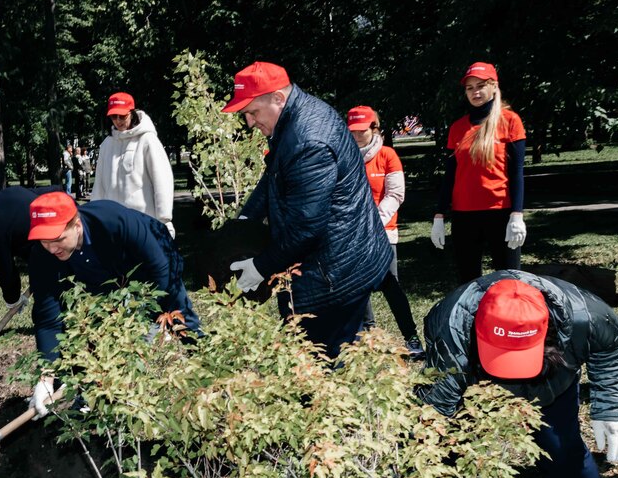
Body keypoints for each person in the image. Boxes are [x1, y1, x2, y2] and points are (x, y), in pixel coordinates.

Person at [221, 62, 391, 359]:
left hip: (336, 274)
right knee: (325, 359)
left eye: (253, 112)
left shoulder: (307, 139)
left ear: (277, 98)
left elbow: (306, 228)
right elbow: (273, 176)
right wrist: (245, 222)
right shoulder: (292, 120)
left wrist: (260, 267)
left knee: (320, 363)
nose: (249, 122)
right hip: (332, 261)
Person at [419, 270, 618, 478]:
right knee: (457, 452)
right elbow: (430, 420)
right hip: (476, 381)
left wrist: (611, 409)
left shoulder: (585, 315)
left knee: (563, 450)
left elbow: (614, 343)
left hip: (551, 377)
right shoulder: (453, 335)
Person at [25, 191, 200, 417]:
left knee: (179, 315)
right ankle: (91, 395)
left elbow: (160, 272)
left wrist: (147, 322)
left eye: (58, 239)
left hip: (150, 261)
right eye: (44, 241)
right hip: (99, 277)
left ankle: (204, 371)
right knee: (92, 328)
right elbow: (48, 319)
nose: (51, 248)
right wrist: (45, 378)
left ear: (76, 226)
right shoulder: (43, 256)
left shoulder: (113, 222)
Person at [432, 62, 527, 285]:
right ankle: (473, 321)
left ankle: (510, 320)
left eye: (481, 86)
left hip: (500, 213)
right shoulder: (457, 128)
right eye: (469, 88)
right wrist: (439, 215)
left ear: (494, 86)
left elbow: (517, 172)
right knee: (468, 282)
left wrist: (517, 214)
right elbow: (450, 175)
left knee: (509, 281)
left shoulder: (510, 121)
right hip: (464, 215)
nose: (475, 92)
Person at [346, 105, 424, 358]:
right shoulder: (345, 156)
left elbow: (395, 194)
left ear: (374, 128)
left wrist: (375, 222)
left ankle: (411, 338)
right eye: (352, 131)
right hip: (353, 234)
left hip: (383, 232)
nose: (357, 136)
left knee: (392, 286)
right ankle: (370, 336)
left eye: (361, 131)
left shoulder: (388, 155)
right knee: (358, 287)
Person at [90, 92, 176, 239]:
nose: (117, 121)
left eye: (122, 116)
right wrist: (94, 219)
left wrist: (164, 220)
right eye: (113, 116)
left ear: (132, 112)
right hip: (114, 226)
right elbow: (99, 185)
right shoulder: (106, 145)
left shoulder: (148, 140)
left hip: (144, 223)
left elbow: (162, 181)